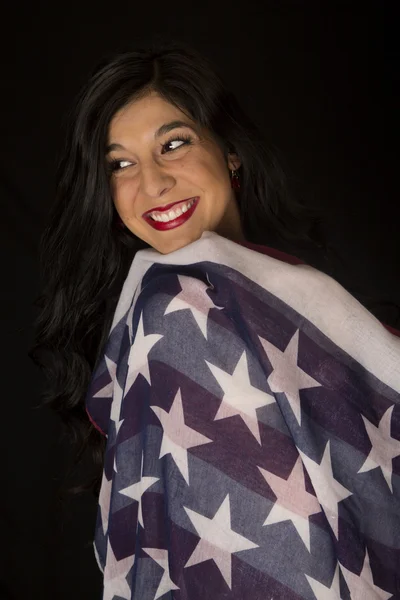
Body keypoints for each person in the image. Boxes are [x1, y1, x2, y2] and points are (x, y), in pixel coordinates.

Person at [29, 38, 400, 599]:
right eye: (120, 164)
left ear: (230, 151)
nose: (151, 183)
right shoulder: (177, 310)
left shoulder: (304, 295)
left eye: (172, 144)